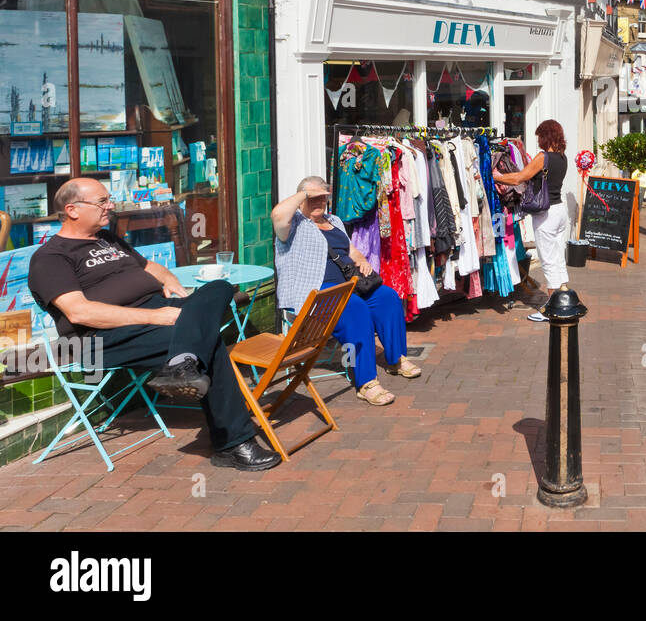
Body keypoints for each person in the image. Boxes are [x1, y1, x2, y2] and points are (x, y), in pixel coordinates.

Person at [26, 179, 279, 471]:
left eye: (109, 200)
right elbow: (80, 313)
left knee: (221, 287)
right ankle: (235, 444)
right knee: (210, 343)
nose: (110, 206)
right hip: (101, 337)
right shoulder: (51, 258)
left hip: (158, 311)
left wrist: (175, 287)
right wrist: (157, 317)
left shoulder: (109, 239)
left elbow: (150, 268)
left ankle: (180, 365)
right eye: (102, 202)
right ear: (72, 210)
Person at [272, 176, 421, 406]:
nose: (318, 202)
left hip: (349, 287)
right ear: (301, 198)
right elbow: (278, 215)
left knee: (387, 298)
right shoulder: (293, 226)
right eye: (313, 198)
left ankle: (395, 359)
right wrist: (306, 193)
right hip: (314, 294)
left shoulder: (335, 221)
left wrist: (361, 260)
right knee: (356, 310)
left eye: (323, 197)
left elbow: (351, 250)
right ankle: (366, 382)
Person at [493, 119, 570, 322]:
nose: (538, 141)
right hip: (560, 210)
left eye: (539, 136)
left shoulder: (543, 157)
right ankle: (564, 300)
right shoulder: (563, 157)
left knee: (548, 261)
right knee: (558, 259)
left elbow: (519, 178)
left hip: (546, 215)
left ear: (546, 136)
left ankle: (552, 308)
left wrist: (496, 177)